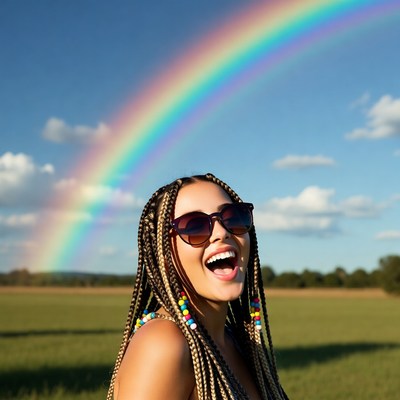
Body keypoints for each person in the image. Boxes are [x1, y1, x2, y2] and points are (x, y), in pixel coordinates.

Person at [107, 173, 288, 400]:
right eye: (194, 227)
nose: (222, 232)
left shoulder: (239, 342)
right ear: (164, 256)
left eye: (232, 217)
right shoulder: (163, 344)